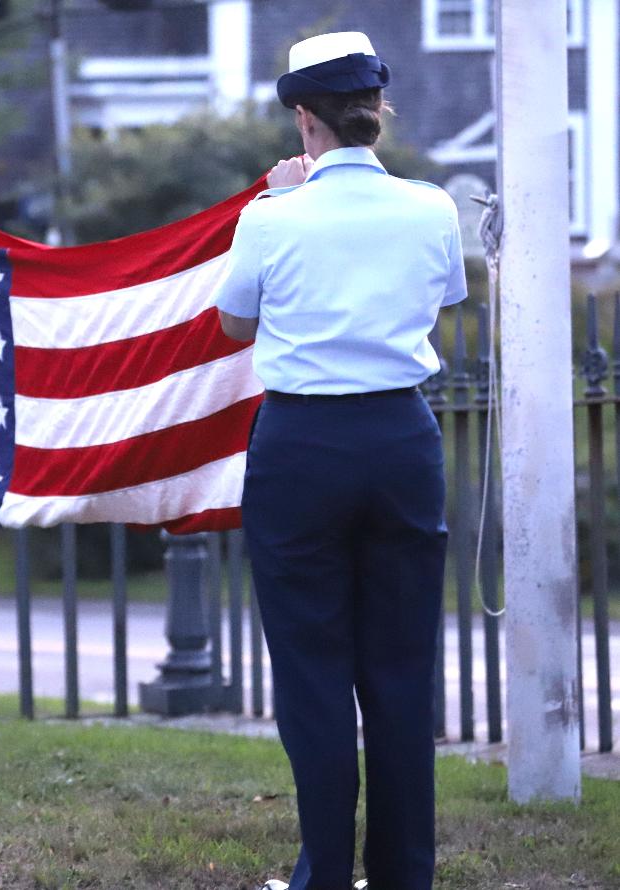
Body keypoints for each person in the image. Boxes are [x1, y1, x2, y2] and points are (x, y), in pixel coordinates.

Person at [213, 31, 466, 890]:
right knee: (400, 668)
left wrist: (283, 200)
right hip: (400, 439)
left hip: (302, 445)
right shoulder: (432, 206)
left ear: (303, 121)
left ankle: (324, 872)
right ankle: (404, 875)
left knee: (313, 669)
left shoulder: (272, 215)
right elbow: (444, 297)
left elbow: (236, 324)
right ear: (376, 114)